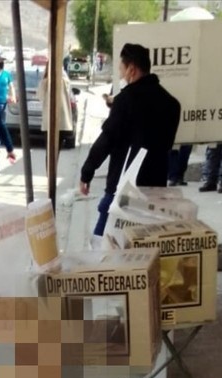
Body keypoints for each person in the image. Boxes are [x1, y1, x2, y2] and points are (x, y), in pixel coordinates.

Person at [78, 43, 182, 237]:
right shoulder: (172, 104)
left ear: (131, 69)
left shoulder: (125, 100)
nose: (121, 75)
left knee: (104, 245)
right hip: (155, 194)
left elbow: (107, 140)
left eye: (121, 70)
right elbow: (166, 146)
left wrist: (87, 172)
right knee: (144, 246)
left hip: (123, 192)